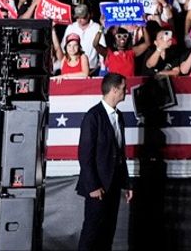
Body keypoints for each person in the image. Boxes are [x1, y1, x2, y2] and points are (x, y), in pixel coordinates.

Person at [77, 73, 133, 250]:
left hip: (114, 185)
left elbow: (119, 153)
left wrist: (127, 183)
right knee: (92, 234)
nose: (126, 91)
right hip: (97, 188)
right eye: (124, 88)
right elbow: (85, 155)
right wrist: (93, 186)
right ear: (114, 89)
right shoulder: (93, 116)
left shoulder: (119, 116)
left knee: (108, 234)